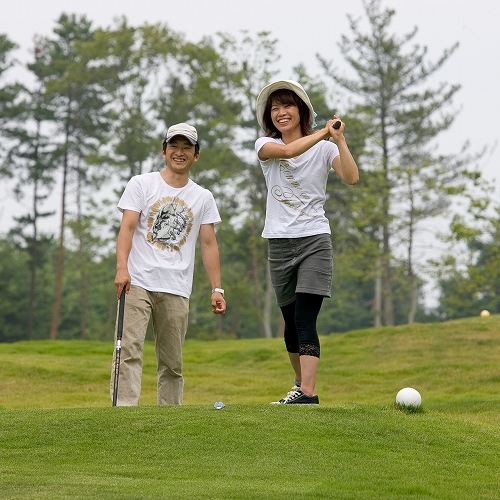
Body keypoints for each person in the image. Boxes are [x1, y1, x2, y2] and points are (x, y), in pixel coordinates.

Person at [254, 80, 359, 404]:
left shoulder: (326, 147)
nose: (281, 113)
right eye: (274, 108)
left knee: (304, 316)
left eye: (287, 106)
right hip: (279, 242)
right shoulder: (263, 145)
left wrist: (338, 140)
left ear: (302, 111)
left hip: (314, 238)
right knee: (289, 320)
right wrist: (325, 133)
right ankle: (300, 385)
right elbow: (287, 151)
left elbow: (352, 177)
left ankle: (309, 393)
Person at [111, 122, 226, 406]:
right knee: (129, 351)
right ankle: (123, 412)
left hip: (176, 286)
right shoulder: (141, 184)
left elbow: (209, 243)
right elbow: (126, 228)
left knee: (172, 361)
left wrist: (217, 289)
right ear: (163, 151)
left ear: (196, 155)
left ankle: (169, 418)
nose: (180, 152)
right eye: (174, 146)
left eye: (187, 147)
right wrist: (122, 268)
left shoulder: (203, 197)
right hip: (137, 281)